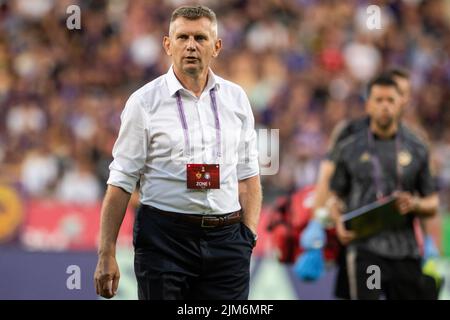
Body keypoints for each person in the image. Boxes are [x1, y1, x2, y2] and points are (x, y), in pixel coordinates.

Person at [94, 5, 262, 300]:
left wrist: (246, 238)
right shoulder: (143, 102)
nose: (191, 46)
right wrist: (106, 252)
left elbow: (249, 177)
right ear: (167, 45)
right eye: (182, 37)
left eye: (200, 38)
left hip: (227, 240)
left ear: (217, 47)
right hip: (164, 240)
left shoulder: (237, 98)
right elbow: (121, 181)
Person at [329, 74, 439, 300]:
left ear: (401, 104)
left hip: (406, 251)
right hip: (367, 250)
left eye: (390, 100)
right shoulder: (350, 148)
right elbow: (336, 197)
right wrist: (337, 219)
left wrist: (416, 203)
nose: (385, 106)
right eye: (378, 100)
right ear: (368, 105)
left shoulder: (418, 147)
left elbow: (432, 201)